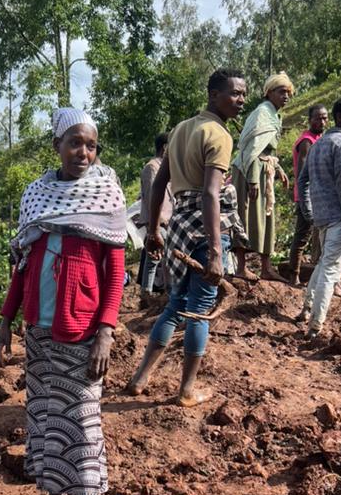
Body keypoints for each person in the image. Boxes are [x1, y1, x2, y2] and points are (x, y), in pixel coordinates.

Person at [0, 107, 127, 495]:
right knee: (47, 418)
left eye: (90, 145)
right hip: (39, 329)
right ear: (57, 146)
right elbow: (22, 264)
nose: (83, 152)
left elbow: (115, 273)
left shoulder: (105, 194)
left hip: (82, 330)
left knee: (83, 423)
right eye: (74, 143)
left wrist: (106, 331)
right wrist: (6, 319)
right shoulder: (37, 195)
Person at [125, 68, 248, 406]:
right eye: (234, 93)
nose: (241, 100)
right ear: (213, 95)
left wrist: (154, 231)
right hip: (205, 227)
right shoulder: (218, 134)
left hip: (178, 225)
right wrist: (215, 252)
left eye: (243, 94)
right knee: (199, 310)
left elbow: (159, 184)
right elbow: (210, 194)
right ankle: (187, 390)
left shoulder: (180, 129)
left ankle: (140, 377)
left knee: (176, 305)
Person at [296, 98, 341, 338]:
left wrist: (309, 210)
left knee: (324, 263)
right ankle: (315, 325)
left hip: (322, 217)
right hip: (338, 216)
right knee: (331, 270)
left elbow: (302, 180)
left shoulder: (319, 143)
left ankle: (307, 309)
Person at [232, 72, 294, 281]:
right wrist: (252, 179)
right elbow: (251, 149)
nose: (286, 96)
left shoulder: (274, 115)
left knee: (267, 215)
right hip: (249, 169)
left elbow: (267, 150)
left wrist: (279, 169)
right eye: (281, 92)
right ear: (269, 92)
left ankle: (266, 268)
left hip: (263, 168)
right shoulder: (261, 113)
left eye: (288, 93)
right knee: (245, 215)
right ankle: (241, 267)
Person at [289, 105, 328, 285]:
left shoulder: (319, 139)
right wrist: (305, 199)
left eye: (325, 118)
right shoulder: (306, 141)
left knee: (317, 235)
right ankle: (294, 275)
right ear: (310, 120)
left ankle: (316, 274)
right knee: (302, 235)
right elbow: (303, 174)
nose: (322, 122)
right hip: (307, 196)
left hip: (317, 195)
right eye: (318, 118)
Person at [136, 132, 173, 302]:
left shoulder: (164, 167)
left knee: (163, 258)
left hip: (167, 220)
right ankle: (146, 295)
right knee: (154, 258)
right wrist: (154, 225)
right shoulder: (151, 168)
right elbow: (152, 197)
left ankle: (161, 293)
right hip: (158, 221)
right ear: (165, 147)